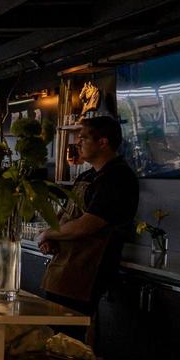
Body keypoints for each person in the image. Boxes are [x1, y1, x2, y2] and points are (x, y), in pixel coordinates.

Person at [37, 115, 139, 317]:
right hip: (62, 269)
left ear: (103, 142)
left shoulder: (118, 177)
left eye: (83, 138)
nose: (78, 143)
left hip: (86, 273)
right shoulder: (87, 175)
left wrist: (48, 233)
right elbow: (64, 217)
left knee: (70, 342)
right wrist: (49, 239)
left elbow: (87, 225)